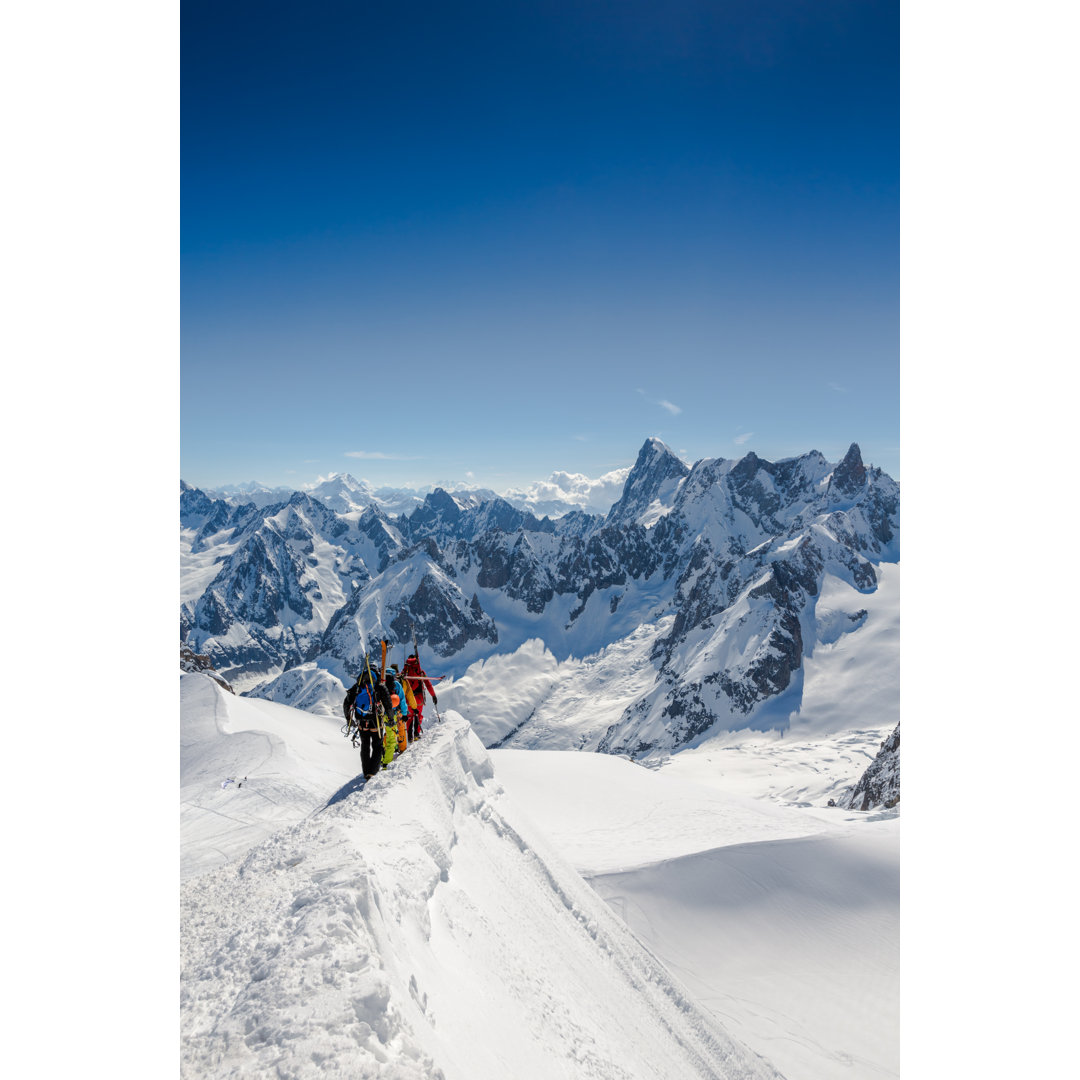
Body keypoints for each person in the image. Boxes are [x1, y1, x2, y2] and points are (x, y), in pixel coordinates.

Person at [351, 670, 385, 780]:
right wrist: (390, 717)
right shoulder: (379, 687)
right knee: (377, 746)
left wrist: (349, 719)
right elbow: (388, 702)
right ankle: (373, 771)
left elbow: (347, 702)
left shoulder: (357, 687)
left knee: (365, 747)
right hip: (376, 722)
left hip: (362, 723)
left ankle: (366, 771)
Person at [403, 652, 437, 740]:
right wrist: (433, 695)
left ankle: (409, 736)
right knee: (418, 715)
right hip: (419, 698)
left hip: (409, 700)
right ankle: (416, 734)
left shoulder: (405, 672)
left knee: (410, 717)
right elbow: (428, 684)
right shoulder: (421, 672)